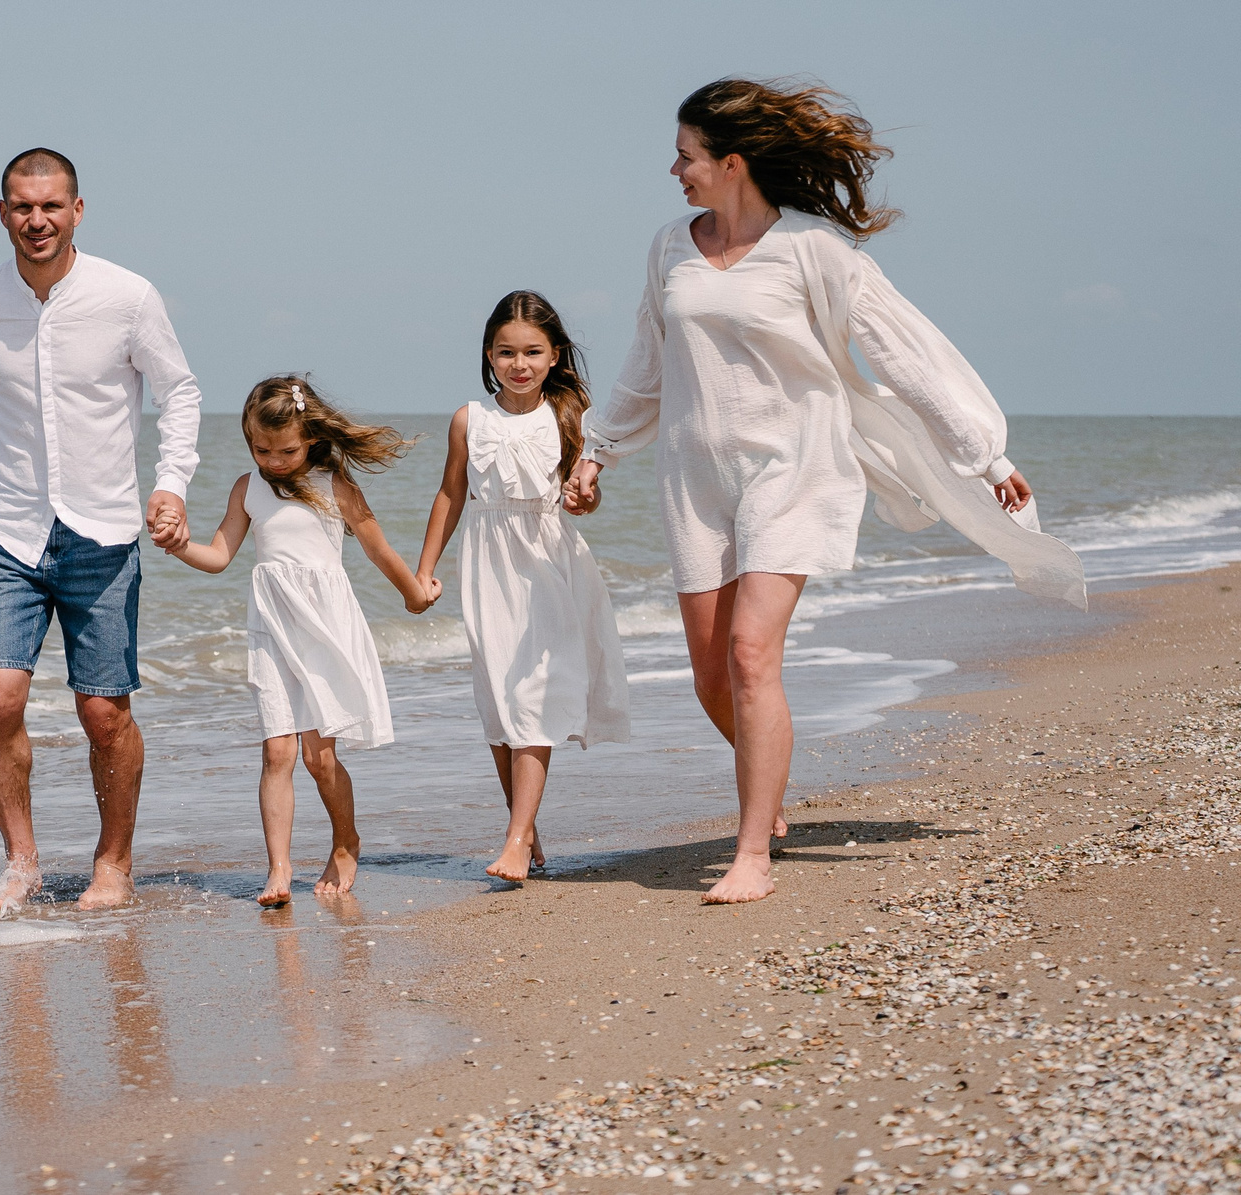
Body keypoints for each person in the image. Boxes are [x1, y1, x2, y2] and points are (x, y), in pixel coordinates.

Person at [564, 79, 1083, 905]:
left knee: (749, 655)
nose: (674, 169)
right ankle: (768, 792)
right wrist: (595, 451)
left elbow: (901, 349)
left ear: (732, 163)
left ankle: (752, 852)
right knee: (710, 676)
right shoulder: (670, 245)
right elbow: (647, 358)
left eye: (687, 155)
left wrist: (983, 456)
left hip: (794, 467)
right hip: (694, 476)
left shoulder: (812, 248)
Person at [0, 148, 202, 914]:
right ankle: (23, 862)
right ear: (2, 212)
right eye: (21, 205)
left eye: (51, 205)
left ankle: (113, 864)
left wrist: (171, 484)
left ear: (78, 210)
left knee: (104, 711)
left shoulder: (127, 296)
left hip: (103, 531)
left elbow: (180, 393)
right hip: (9, 530)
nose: (36, 219)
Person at [165, 376, 428, 907]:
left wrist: (415, 594)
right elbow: (218, 557)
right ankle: (279, 870)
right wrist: (178, 546)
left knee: (320, 758)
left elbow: (379, 551)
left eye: (286, 450)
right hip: (272, 630)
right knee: (277, 751)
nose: (274, 460)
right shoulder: (248, 488)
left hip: (325, 628)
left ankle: (346, 841)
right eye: (261, 449)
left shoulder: (337, 489)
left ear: (310, 436)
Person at [414, 291, 632, 885]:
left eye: (533, 352)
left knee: (534, 695)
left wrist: (585, 496)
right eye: (506, 352)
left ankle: (514, 840)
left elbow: (586, 493)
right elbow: (451, 494)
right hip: (488, 568)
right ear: (489, 354)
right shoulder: (470, 419)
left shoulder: (572, 416)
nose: (520, 364)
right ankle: (525, 821)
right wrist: (424, 568)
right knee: (500, 700)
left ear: (555, 355)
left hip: (550, 567)